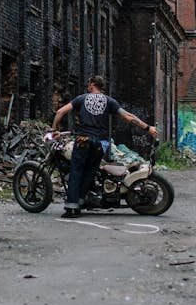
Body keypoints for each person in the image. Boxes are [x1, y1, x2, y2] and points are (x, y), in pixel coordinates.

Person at [51, 75, 157, 218]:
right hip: (102, 143)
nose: (88, 86)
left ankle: (72, 208)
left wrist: (54, 130)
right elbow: (128, 117)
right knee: (90, 172)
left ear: (92, 85)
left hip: (84, 139)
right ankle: (82, 201)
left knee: (76, 172)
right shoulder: (110, 101)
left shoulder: (81, 98)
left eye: (89, 84)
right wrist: (147, 128)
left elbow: (60, 112)